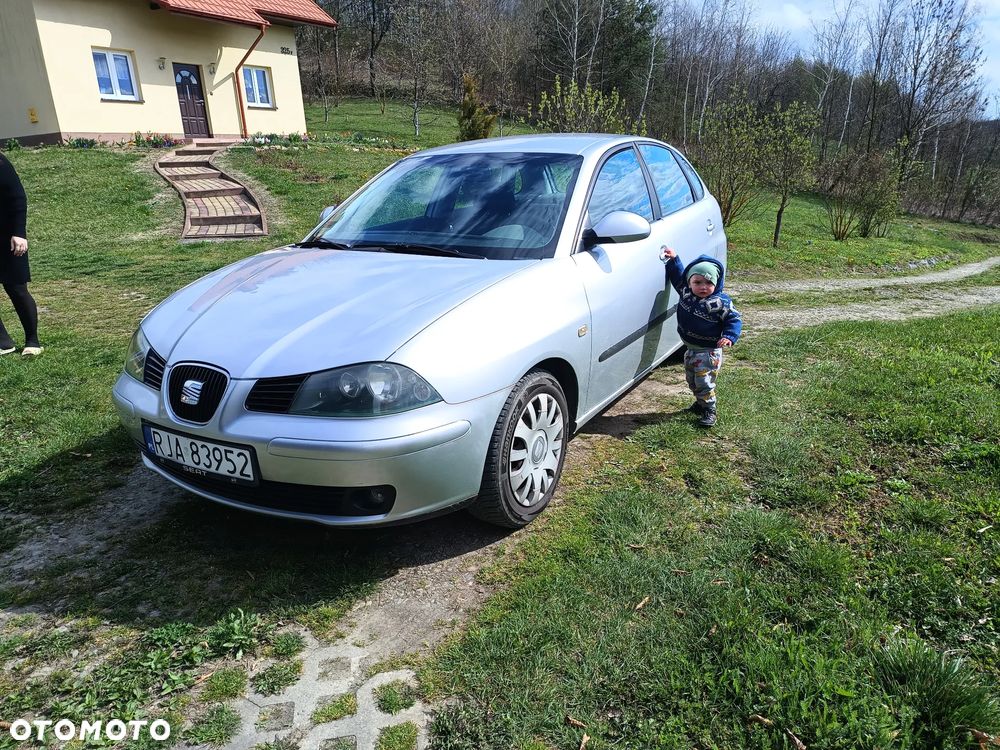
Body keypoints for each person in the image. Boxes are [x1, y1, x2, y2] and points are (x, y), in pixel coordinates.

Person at [661, 247, 742, 427]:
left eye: (708, 282)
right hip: (690, 348)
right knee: (692, 380)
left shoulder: (720, 302)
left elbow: (734, 319)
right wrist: (674, 260)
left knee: (704, 382)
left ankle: (709, 410)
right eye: (697, 282)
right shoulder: (686, 293)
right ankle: (700, 403)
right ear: (690, 282)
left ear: (716, 283)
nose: (703, 287)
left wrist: (729, 335)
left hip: (708, 351)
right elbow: (678, 276)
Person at [0, 152, 41, 356]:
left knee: (16, 288)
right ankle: (3, 342)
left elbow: (17, 198)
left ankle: (33, 341)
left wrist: (19, 233)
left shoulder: (1, 163)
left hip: (7, 237)